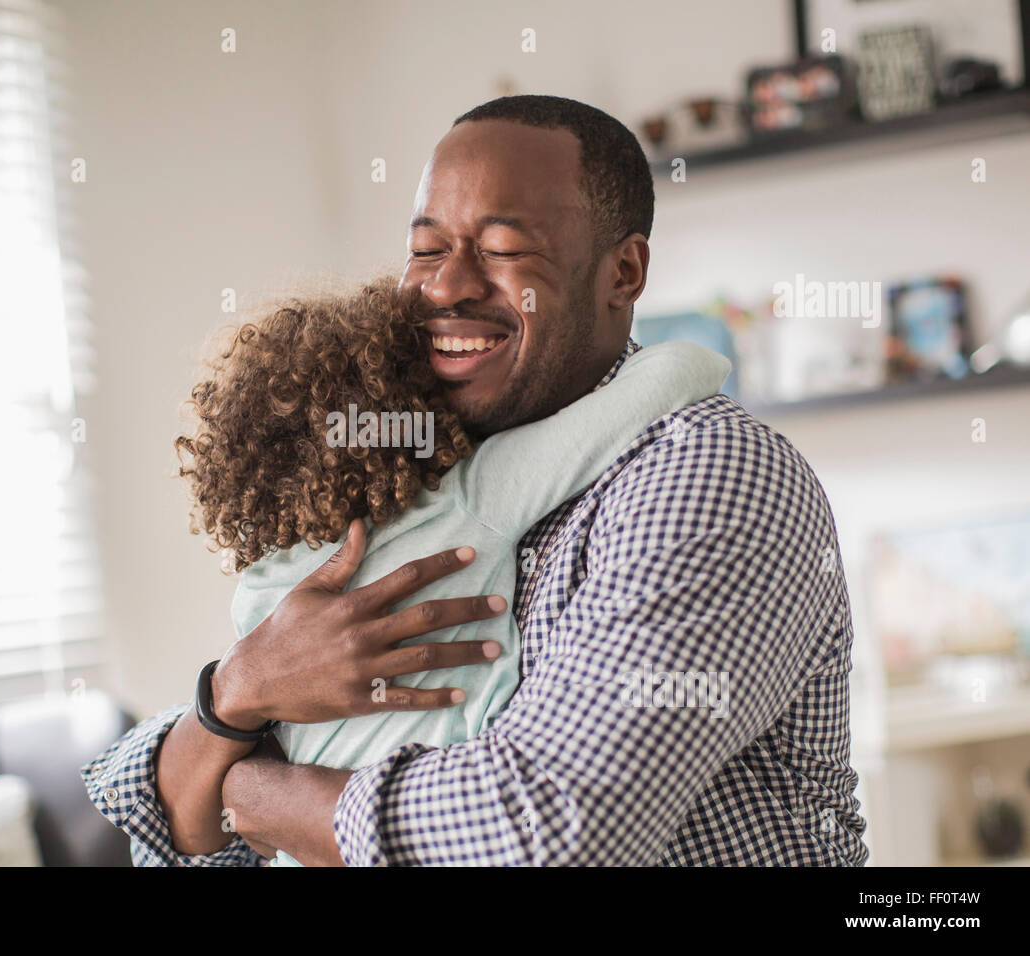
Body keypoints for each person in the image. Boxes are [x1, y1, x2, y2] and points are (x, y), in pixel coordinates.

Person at [82, 94, 869, 866]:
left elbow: (554, 832)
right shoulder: (400, 477)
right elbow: (164, 830)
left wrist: (263, 798)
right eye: (425, 250)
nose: (447, 286)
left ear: (622, 273)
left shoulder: (707, 473)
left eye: (501, 248)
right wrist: (238, 692)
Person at [173, 274, 730, 865]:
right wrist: (707, 342)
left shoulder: (260, 588)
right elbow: (678, 375)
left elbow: (201, 805)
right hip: (438, 831)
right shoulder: (465, 502)